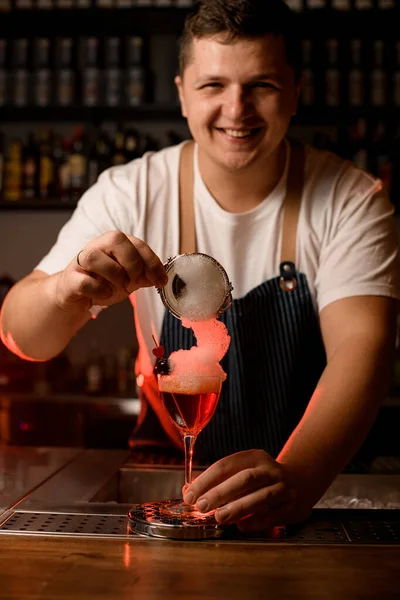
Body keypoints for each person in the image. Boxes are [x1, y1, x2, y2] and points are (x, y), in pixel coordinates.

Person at [1, 0, 399, 533]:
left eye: (262, 85)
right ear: (182, 92)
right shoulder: (130, 191)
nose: (237, 109)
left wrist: (298, 475)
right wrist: (66, 290)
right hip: (169, 473)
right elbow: (23, 337)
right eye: (213, 86)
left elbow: (363, 352)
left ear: (296, 91)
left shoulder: (353, 199)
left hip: (313, 476)